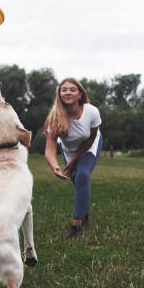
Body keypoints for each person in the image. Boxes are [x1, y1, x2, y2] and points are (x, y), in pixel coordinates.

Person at [43, 78, 103, 238]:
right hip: (68, 150)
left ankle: (77, 225)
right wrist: (55, 165)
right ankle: (84, 211)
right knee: (78, 183)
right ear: (59, 94)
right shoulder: (53, 119)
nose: (68, 92)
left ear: (80, 94)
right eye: (64, 89)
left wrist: (75, 161)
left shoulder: (91, 112)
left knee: (83, 175)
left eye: (72, 89)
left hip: (89, 146)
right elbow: (49, 149)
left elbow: (90, 139)